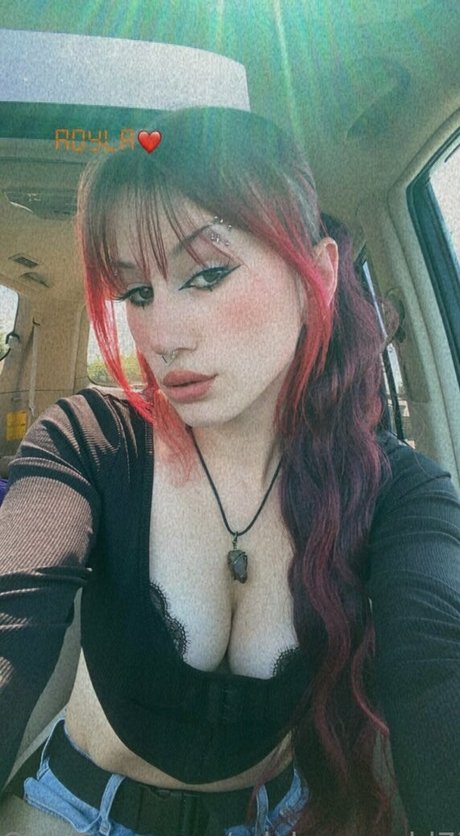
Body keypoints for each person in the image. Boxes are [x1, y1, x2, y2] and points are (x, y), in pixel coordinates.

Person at [0, 107, 459, 836]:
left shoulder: (395, 490)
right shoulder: (92, 441)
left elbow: (438, 668)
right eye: (137, 294)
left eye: (207, 274)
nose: (162, 336)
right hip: (74, 813)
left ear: (317, 277)